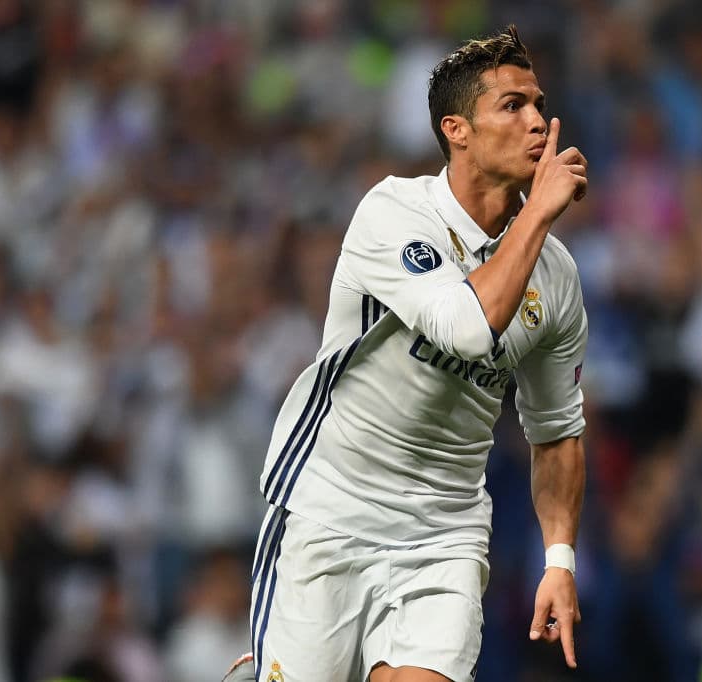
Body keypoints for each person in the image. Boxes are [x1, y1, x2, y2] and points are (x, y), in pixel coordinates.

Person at [225, 25, 589, 682]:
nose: (539, 121)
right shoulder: (393, 215)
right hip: (331, 509)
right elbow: (469, 327)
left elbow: (557, 434)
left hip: (442, 535)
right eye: (513, 106)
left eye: (538, 102)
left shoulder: (556, 278)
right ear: (458, 130)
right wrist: (536, 215)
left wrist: (558, 560)